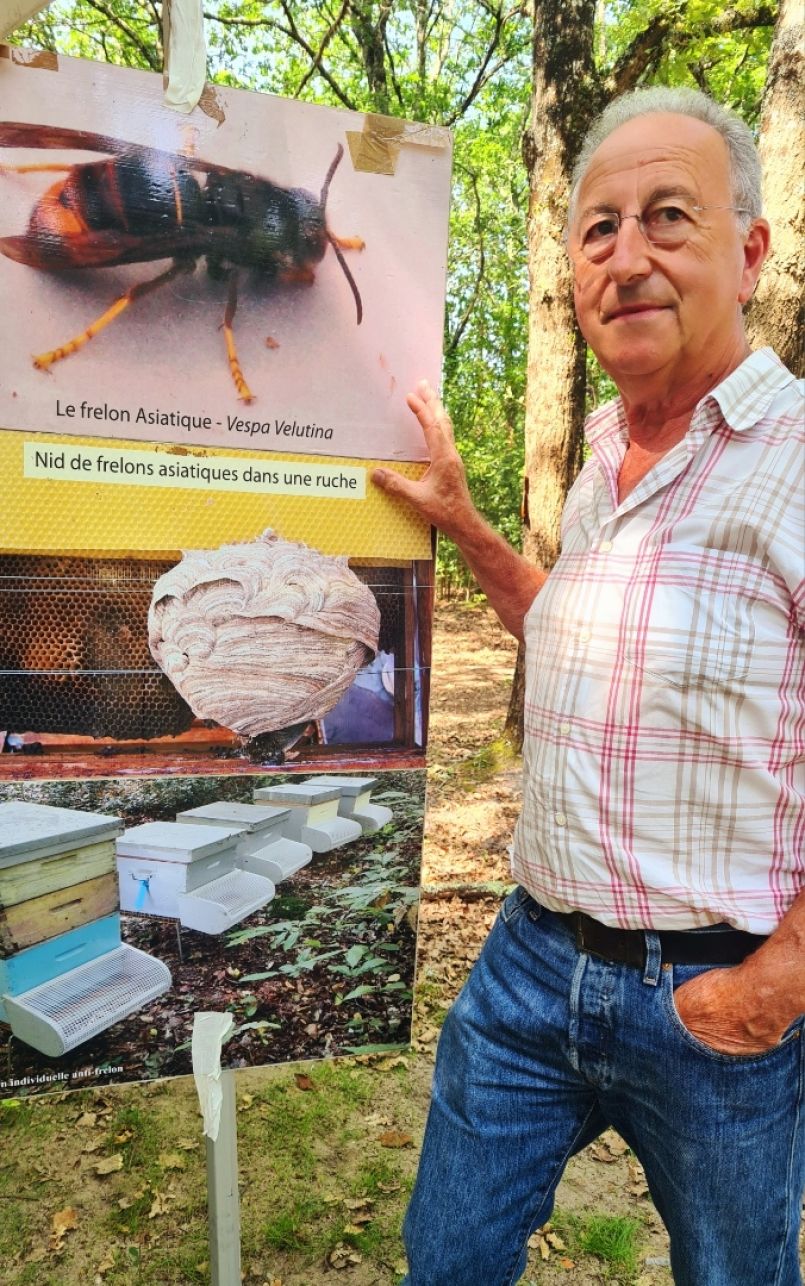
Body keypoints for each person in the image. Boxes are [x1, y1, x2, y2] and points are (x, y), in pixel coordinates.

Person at [373, 86, 805, 1286]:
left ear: (750, 248)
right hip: (526, 963)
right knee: (446, 1260)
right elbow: (565, 629)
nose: (626, 255)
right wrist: (462, 522)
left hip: (712, 997)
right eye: (597, 228)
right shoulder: (604, 460)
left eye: (669, 216)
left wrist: (775, 984)